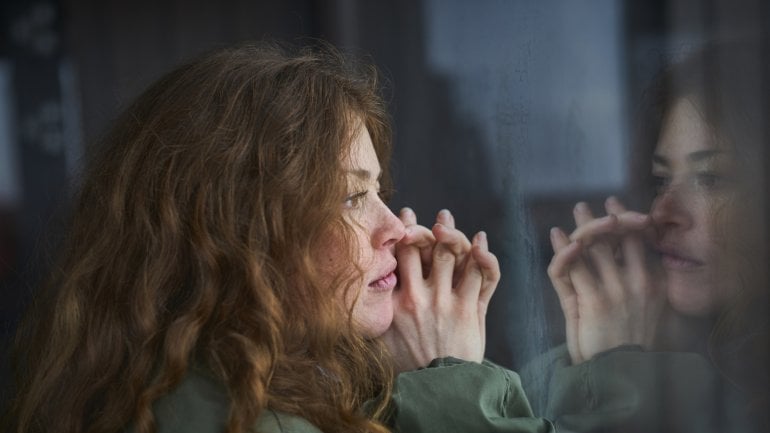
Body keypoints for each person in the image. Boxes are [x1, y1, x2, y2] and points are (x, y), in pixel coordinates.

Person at [2, 41, 553, 433]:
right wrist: (452, 384)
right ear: (242, 233)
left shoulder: (198, 385)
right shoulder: (250, 418)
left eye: (379, 191)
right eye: (351, 197)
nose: (399, 229)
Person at [523, 39, 770, 433]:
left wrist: (620, 374)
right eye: (660, 180)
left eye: (710, 178)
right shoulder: (667, 339)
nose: (662, 213)